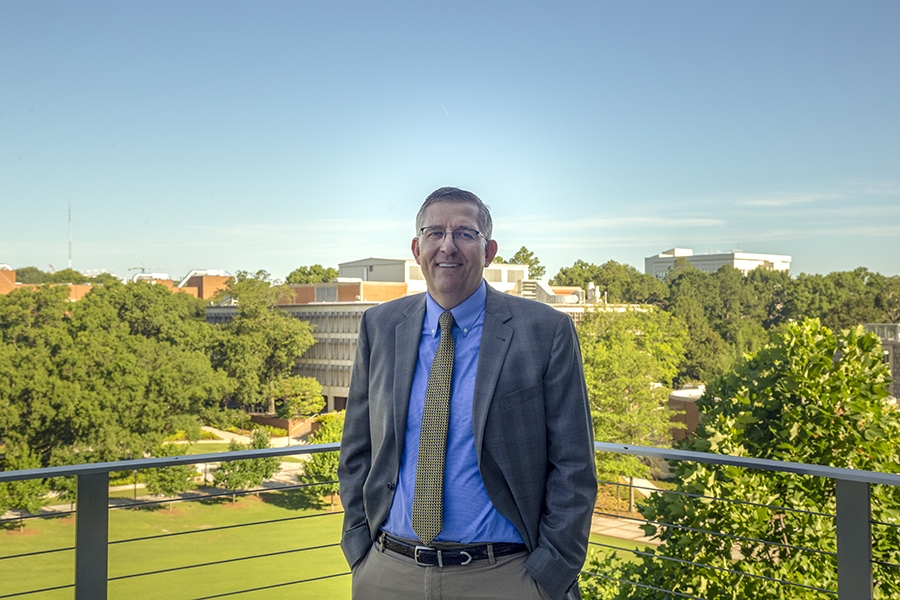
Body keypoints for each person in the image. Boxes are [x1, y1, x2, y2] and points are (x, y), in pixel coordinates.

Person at [338, 187, 597, 600]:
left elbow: (574, 467)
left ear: (489, 250)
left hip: (504, 576)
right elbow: (357, 448)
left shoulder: (545, 331)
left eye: (464, 233)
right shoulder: (380, 327)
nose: (448, 246)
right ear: (416, 246)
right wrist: (359, 547)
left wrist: (549, 575)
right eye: (434, 232)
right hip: (388, 572)